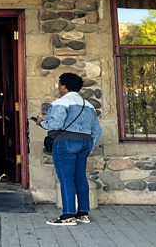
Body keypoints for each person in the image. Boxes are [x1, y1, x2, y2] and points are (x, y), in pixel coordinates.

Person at [33, 72, 102, 226]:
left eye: (59, 84)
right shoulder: (89, 105)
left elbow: (55, 124)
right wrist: (91, 146)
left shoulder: (61, 103)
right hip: (84, 142)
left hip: (65, 143)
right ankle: (83, 213)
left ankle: (68, 215)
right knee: (80, 177)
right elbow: (97, 131)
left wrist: (42, 123)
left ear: (64, 87)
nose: (58, 87)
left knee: (66, 178)